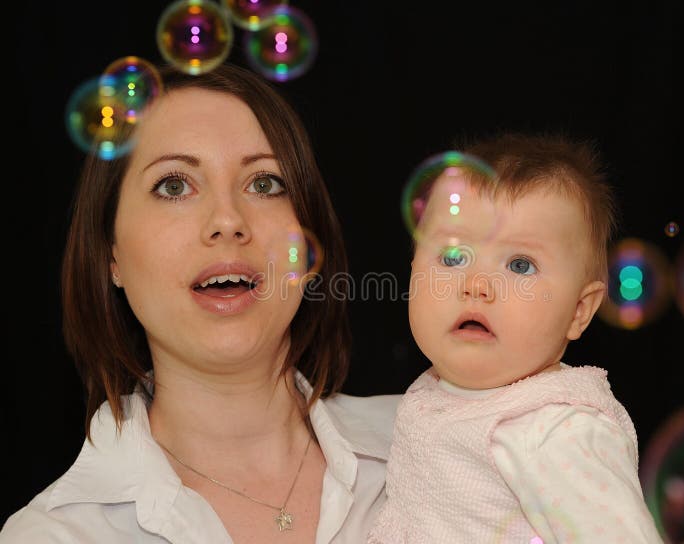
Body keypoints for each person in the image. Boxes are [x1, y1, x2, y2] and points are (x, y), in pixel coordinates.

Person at [1, 62, 399, 543]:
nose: (228, 219)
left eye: (265, 183)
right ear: (112, 255)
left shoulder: (451, 444)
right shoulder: (54, 535)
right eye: (173, 185)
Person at [368, 133, 664, 542]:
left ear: (578, 311)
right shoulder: (438, 394)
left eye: (520, 265)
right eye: (453, 257)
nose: (477, 285)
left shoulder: (555, 429)